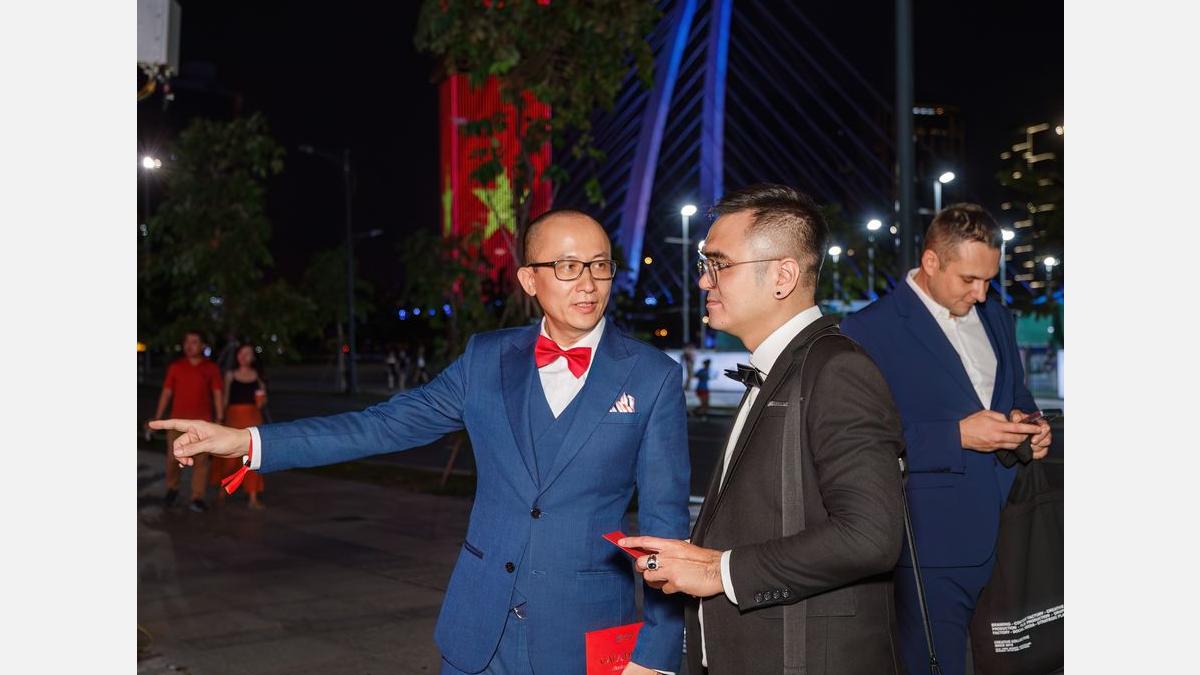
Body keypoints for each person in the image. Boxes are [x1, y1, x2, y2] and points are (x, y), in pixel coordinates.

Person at [152, 209, 691, 675]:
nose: (589, 283)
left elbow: (666, 528)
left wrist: (658, 653)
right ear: (529, 280)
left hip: (586, 635)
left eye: (600, 265)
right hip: (478, 630)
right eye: (568, 267)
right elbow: (381, 425)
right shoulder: (486, 359)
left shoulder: (652, 377)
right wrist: (247, 440)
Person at [621, 184, 906, 674]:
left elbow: (870, 536)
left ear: (782, 276)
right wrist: (697, 558)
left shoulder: (836, 370)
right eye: (705, 265)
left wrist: (719, 569)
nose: (704, 281)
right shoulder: (782, 367)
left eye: (719, 265)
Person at [839, 203, 1052, 675]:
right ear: (931, 261)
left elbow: (1016, 394)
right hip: (928, 546)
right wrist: (956, 436)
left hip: (1011, 533)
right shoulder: (868, 330)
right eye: (969, 279)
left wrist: (1030, 424)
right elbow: (857, 444)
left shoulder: (997, 317)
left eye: (989, 280)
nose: (981, 293)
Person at [149, 329, 223, 513]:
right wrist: (158, 416)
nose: (190, 346)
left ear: (202, 345)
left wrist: (219, 419)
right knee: (173, 459)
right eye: (187, 342)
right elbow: (167, 392)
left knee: (201, 462)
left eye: (194, 342)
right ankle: (172, 489)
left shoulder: (211, 368)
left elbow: (217, 393)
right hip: (177, 422)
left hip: (202, 424)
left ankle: (197, 497)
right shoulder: (176, 367)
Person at [213, 343, 267, 510]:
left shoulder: (258, 376)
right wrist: (220, 418)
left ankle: (253, 497)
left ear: (253, 357)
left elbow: (262, 400)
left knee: (252, 459)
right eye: (241, 353)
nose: (244, 356)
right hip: (233, 420)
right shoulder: (230, 375)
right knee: (229, 460)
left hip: (253, 420)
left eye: (248, 353)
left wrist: (261, 400)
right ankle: (223, 490)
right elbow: (225, 399)